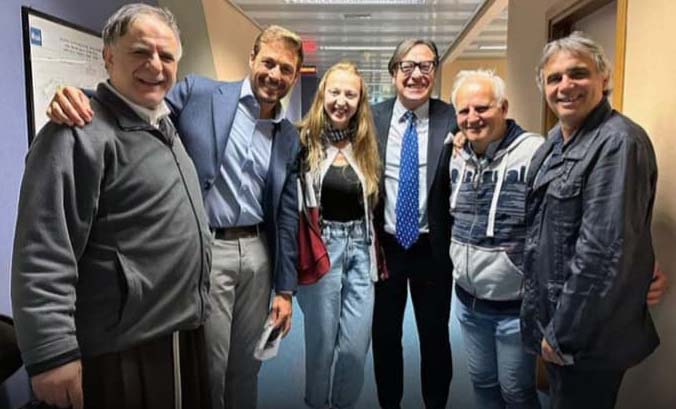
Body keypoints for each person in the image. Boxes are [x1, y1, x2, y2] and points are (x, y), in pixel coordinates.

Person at [45, 25, 303, 409]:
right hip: (208, 249)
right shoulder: (200, 93)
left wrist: (284, 289)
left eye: (286, 69)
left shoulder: (288, 136)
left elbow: (286, 215)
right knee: (210, 366)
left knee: (248, 365)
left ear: (295, 78)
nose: (275, 75)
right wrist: (81, 98)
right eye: (269, 62)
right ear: (252, 58)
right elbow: (137, 103)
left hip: (258, 253)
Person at [12, 4, 212, 409]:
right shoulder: (74, 135)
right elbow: (44, 250)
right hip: (122, 351)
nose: (155, 65)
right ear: (108, 57)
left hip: (178, 333)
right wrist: (51, 354)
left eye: (166, 55)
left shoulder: (163, 125)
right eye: (140, 52)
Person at [520, 31, 660, 409]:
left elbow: (603, 252)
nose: (565, 86)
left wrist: (563, 334)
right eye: (554, 78)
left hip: (587, 335)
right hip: (558, 318)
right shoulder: (556, 139)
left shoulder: (618, 142)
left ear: (603, 77)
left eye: (578, 73)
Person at [370, 39, 457, 409]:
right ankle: (389, 402)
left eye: (426, 66)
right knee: (385, 335)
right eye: (407, 66)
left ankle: (435, 402)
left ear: (435, 71)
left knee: (434, 335)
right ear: (394, 73)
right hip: (386, 248)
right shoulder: (371, 117)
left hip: (432, 248)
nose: (416, 74)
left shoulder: (452, 117)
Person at [449, 69, 543, 409]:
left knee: (516, 391)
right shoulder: (457, 154)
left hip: (513, 307)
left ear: (503, 107)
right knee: (483, 383)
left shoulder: (535, 152)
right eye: (464, 111)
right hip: (468, 302)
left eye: (482, 108)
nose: (472, 118)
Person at [295, 61, 381, 409]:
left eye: (350, 94)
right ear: (322, 95)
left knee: (355, 348)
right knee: (321, 346)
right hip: (323, 247)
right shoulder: (303, 141)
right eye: (335, 92)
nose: (341, 101)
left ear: (360, 101)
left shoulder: (367, 144)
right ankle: (317, 402)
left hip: (361, 247)